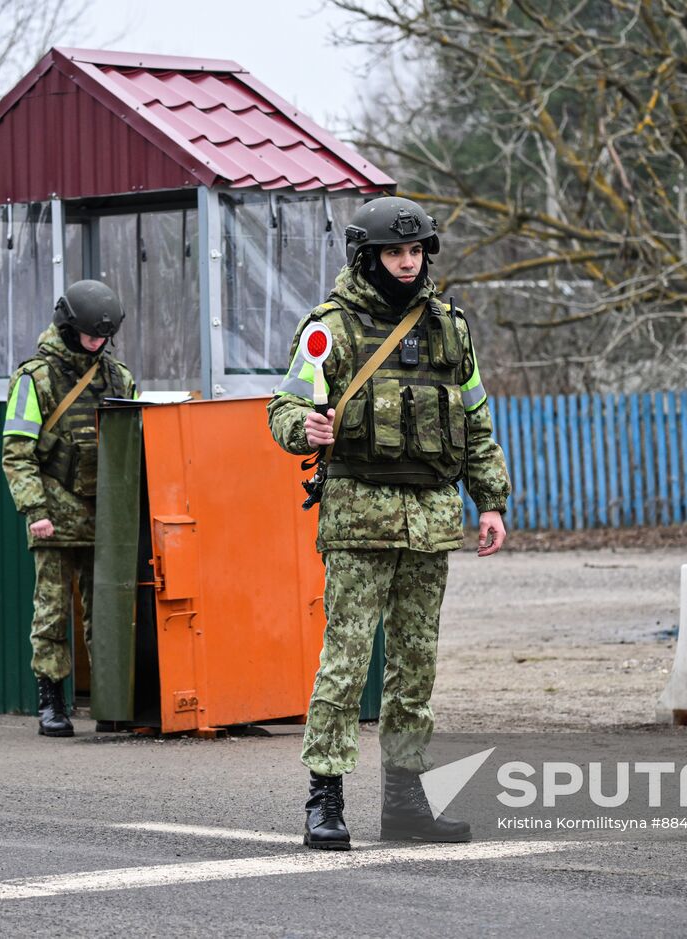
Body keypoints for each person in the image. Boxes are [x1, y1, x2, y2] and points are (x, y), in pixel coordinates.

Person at [268, 195, 510, 849]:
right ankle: (326, 798)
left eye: (414, 252)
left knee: (415, 667)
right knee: (345, 664)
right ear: (367, 256)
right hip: (358, 520)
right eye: (393, 253)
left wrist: (490, 500)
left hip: (430, 522)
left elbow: (477, 421)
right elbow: (284, 408)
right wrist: (305, 427)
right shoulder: (331, 328)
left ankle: (405, 802)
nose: (406, 264)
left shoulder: (450, 329)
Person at [1, 279, 136, 737]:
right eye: (89, 335)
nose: (97, 343)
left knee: (109, 615)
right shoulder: (34, 379)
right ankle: (51, 701)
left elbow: (135, 449)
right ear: (67, 326)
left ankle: (112, 700)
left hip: (108, 519)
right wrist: (35, 510)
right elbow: (17, 452)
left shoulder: (119, 377)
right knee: (52, 612)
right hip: (54, 517)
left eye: (104, 337)